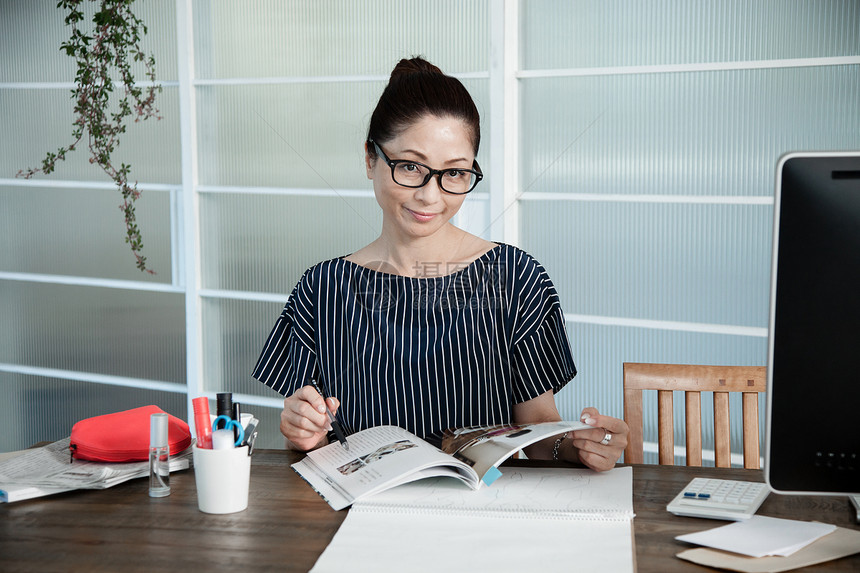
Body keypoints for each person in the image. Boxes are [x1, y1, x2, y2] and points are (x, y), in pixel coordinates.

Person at [252, 57, 628, 471]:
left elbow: (539, 434)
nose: (431, 196)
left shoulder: (518, 278)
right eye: (411, 167)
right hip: (360, 517)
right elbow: (306, 441)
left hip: (482, 518)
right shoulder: (321, 287)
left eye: (454, 173)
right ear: (370, 159)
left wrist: (585, 447)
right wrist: (303, 432)